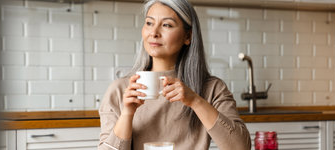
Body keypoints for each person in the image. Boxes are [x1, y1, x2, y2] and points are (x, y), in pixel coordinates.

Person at [98, 0, 251, 149]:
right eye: (149, 23)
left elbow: (241, 147)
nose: (154, 32)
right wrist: (127, 113)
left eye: (166, 25)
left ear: (188, 36)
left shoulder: (212, 88)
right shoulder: (120, 90)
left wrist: (195, 101)